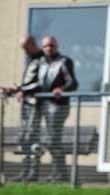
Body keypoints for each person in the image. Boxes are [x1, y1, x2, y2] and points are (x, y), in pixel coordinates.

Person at [33, 36, 78, 182]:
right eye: (46, 46)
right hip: (43, 104)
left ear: (57, 46)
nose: (49, 48)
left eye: (51, 45)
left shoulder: (64, 61)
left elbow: (73, 83)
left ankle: (59, 174)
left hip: (58, 106)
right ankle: (59, 174)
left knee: (53, 139)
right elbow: (34, 83)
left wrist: (62, 88)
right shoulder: (39, 63)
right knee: (52, 140)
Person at [0, 35, 43, 182]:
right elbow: (28, 84)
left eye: (26, 48)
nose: (25, 52)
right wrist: (13, 90)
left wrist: (23, 91)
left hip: (35, 104)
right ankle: (25, 171)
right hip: (26, 103)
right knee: (24, 137)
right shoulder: (31, 60)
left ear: (32, 44)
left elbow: (41, 83)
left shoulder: (43, 59)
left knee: (32, 137)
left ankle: (33, 172)